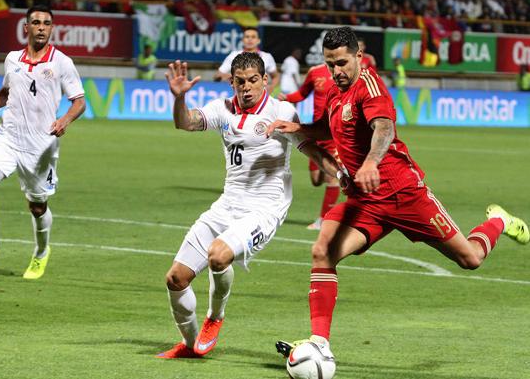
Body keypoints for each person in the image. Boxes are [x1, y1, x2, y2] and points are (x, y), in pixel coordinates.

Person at [268, 26, 529, 368]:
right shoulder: (335, 90)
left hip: (404, 194)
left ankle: (499, 220)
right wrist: (301, 129)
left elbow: (384, 128)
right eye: (331, 64)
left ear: (358, 56)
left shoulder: (370, 87)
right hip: (366, 201)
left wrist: (371, 163)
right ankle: (320, 344)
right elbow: (331, 127)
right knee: (322, 252)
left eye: (343, 63)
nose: (337, 71)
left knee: (470, 259)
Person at [157, 53, 340, 359]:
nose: (246, 88)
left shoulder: (281, 110)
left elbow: (309, 146)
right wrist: (180, 98)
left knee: (219, 255)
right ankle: (191, 346)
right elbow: (185, 123)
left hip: (265, 208)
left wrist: (340, 174)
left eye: (253, 80)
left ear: (265, 80)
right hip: (227, 205)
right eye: (239, 82)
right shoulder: (222, 109)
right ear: (232, 82)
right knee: (175, 279)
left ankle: (215, 317)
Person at [0, 5, 86, 280]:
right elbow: (6, 93)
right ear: (26, 27)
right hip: (8, 137)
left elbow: (79, 102)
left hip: (40, 147)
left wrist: (64, 120)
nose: (41, 27)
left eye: (47, 23)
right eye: (36, 22)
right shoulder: (13, 59)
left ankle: (41, 254)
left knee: (37, 206)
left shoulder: (61, 62)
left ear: (52, 29)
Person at [278, 63, 340, 230]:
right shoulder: (315, 72)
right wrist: (288, 98)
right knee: (315, 180)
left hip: (335, 132)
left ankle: (324, 220)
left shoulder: (344, 72)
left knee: (332, 177)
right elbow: (303, 93)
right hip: (316, 131)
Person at [213, 27, 279, 93]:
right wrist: (236, 77)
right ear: (242, 40)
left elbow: (276, 77)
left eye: (253, 37)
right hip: (239, 96)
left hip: (260, 97)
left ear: (258, 40)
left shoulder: (267, 57)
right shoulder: (234, 55)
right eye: (247, 37)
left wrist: (271, 87)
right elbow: (217, 76)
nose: (250, 39)